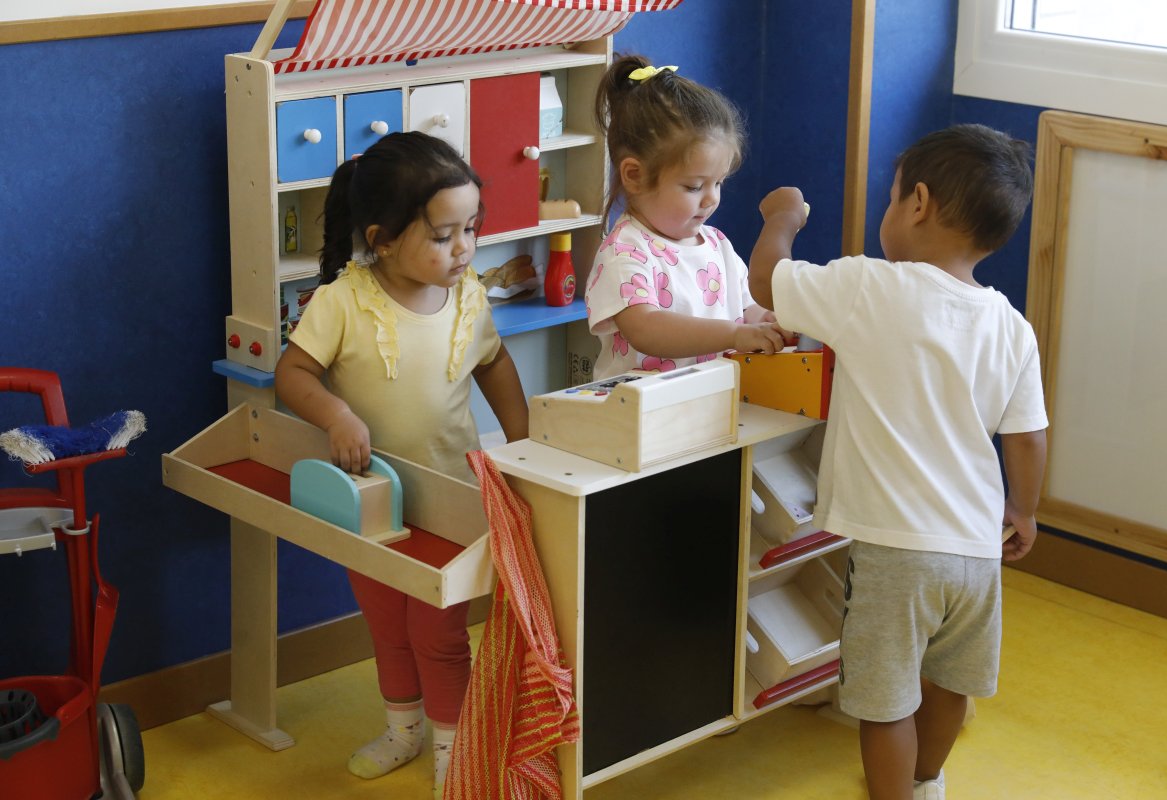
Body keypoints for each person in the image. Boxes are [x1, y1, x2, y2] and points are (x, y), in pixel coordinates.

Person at [748, 124, 1048, 800]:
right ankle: (927, 782)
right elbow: (1027, 436)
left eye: (888, 199)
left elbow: (766, 282)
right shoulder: (1010, 324)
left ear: (917, 204)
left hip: (895, 553)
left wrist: (782, 217)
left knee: (883, 701)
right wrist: (1023, 510)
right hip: (976, 551)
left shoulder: (870, 288)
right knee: (949, 685)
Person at [275, 131, 528, 797]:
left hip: (450, 501)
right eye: (444, 235)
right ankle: (404, 731)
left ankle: (457, 753)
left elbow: (494, 363)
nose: (465, 249)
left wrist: (524, 443)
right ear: (382, 238)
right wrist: (337, 415)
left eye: (470, 229)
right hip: (373, 501)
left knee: (439, 637)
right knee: (387, 626)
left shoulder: (469, 295)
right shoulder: (343, 301)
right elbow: (292, 373)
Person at [584, 54, 788, 379]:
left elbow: (748, 309)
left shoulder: (717, 244)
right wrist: (733, 335)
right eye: (694, 186)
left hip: (711, 403)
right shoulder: (624, 253)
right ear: (634, 175)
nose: (712, 198)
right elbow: (647, 329)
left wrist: (770, 323)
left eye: (718, 183)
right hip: (643, 416)